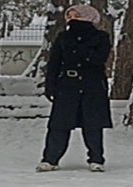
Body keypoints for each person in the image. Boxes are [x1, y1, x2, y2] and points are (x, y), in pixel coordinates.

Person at [37, 4, 112, 173]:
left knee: (92, 125)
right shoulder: (63, 37)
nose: (72, 19)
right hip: (67, 86)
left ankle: (96, 159)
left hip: (92, 87)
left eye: (76, 15)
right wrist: (51, 84)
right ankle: (50, 159)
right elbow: (54, 62)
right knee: (59, 125)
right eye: (69, 16)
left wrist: (80, 48)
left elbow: (99, 58)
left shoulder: (101, 37)